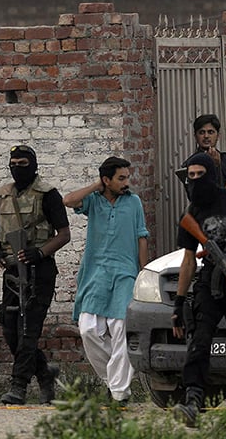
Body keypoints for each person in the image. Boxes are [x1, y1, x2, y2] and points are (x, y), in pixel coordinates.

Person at [171, 153, 226, 427]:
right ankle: (193, 399)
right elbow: (188, 260)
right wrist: (179, 301)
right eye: (191, 175)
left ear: (211, 174)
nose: (196, 180)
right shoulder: (191, 214)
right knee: (199, 339)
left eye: (200, 174)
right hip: (210, 280)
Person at [0, 145, 71, 405]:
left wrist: (41, 253)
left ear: (34, 166)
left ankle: (18, 387)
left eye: (23, 164)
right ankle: (45, 373)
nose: (17, 169)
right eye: (13, 164)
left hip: (39, 272)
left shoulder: (48, 194)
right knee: (11, 331)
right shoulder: (3, 195)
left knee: (28, 331)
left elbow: (64, 235)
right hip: (12, 272)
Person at [62, 156, 149, 404]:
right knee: (88, 329)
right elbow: (67, 201)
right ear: (106, 180)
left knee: (121, 329)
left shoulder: (134, 202)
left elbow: (142, 236)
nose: (126, 182)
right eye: (120, 178)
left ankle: (119, 394)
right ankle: (113, 380)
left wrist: (143, 272)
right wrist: (94, 187)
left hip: (125, 272)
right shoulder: (93, 201)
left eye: (127, 177)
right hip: (95, 273)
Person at [181, 114, 226, 187]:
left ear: (218, 136)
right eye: (202, 132)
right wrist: (214, 166)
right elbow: (195, 194)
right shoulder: (189, 164)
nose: (206, 136)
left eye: (210, 132)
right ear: (195, 136)